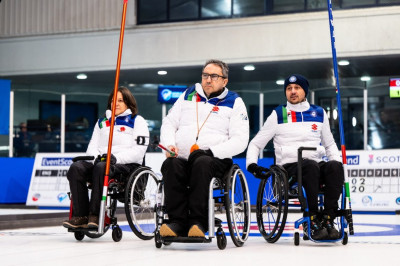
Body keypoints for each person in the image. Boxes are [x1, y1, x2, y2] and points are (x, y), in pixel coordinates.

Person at [246, 74, 344, 240]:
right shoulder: (278, 114)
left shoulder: (319, 113)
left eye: (297, 88)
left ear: (304, 91)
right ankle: (311, 219)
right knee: (310, 166)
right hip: (289, 168)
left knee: (334, 167)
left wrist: (337, 160)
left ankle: (328, 219)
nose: (292, 91)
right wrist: (251, 165)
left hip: (315, 164)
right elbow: (256, 143)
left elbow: (329, 145)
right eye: (289, 88)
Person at [159, 59, 249, 237]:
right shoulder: (188, 95)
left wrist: (212, 151)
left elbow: (240, 140)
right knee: (171, 165)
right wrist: (170, 144)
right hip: (183, 158)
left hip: (215, 160)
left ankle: (198, 223)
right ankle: (177, 222)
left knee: (202, 163)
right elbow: (169, 122)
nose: (208, 80)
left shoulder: (234, 101)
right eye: (205, 75)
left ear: (224, 81)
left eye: (214, 76)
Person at [63, 86, 149, 229]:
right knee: (76, 168)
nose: (116, 104)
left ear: (128, 102)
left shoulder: (137, 121)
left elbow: (138, 151)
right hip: (101, 162)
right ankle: (80, 216)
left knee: (102, 167)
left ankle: (95, 215)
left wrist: (115, 158)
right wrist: (98, 157)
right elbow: (92, 147)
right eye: (113, 100)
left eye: (120, 100)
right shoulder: (101, 122)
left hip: (125, 165)